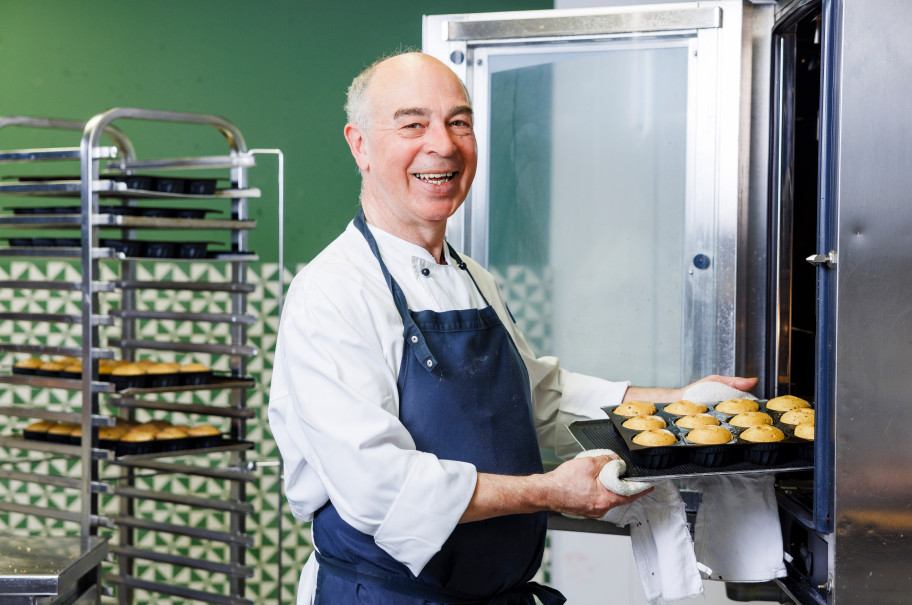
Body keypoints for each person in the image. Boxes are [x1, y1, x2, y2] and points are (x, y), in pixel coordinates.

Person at [268, 51, 758, 605]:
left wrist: (678, 404)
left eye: (459, 122)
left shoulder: (474, 278)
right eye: (413, 124)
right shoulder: (331, 293)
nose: (444, 144)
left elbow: (538, 399)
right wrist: (550, 491)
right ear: (359, 144)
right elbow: (381, 489)